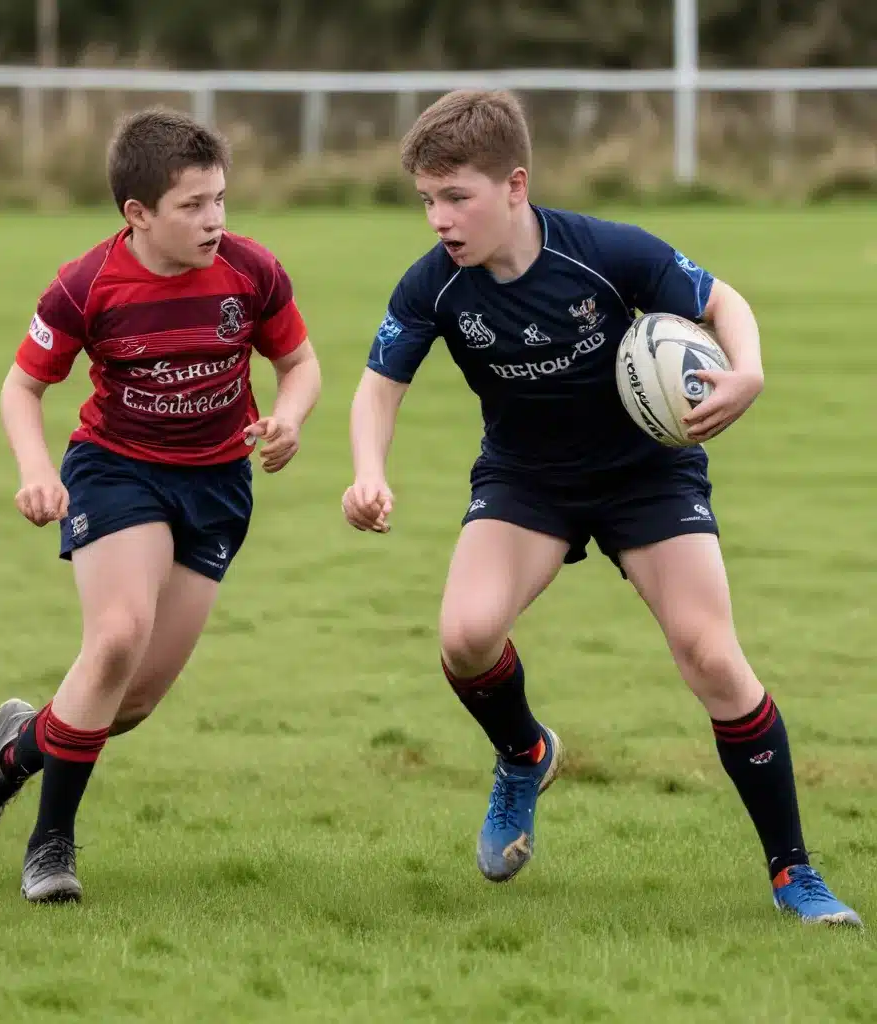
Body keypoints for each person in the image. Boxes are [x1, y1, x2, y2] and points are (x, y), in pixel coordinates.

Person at [341, 89, 860, 927]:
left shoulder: (604, 252)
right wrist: (368, 472)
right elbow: (377, 390)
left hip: (646, 476)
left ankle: (794, 874)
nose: (439, 218)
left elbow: (722, 300)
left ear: (515, 186)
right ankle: (525, 752)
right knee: (466, 636)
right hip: (526, 482)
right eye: (427, 200)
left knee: (711, 656)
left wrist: (749, 370)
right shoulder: (434, 288)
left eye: (456, 196)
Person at [0, 108, 321, 905]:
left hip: (219, 483)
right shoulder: (87, 286)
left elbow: (301, 363)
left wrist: (289, 416)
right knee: (116, 636)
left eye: (220, 199)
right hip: (118, 470)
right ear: (139, 214)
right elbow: (22, 386)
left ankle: (19, 750)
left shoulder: (252, 271)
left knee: (129, 699)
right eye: (193, 205)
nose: (215, 220)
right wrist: (34, 468)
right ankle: (51, 847)